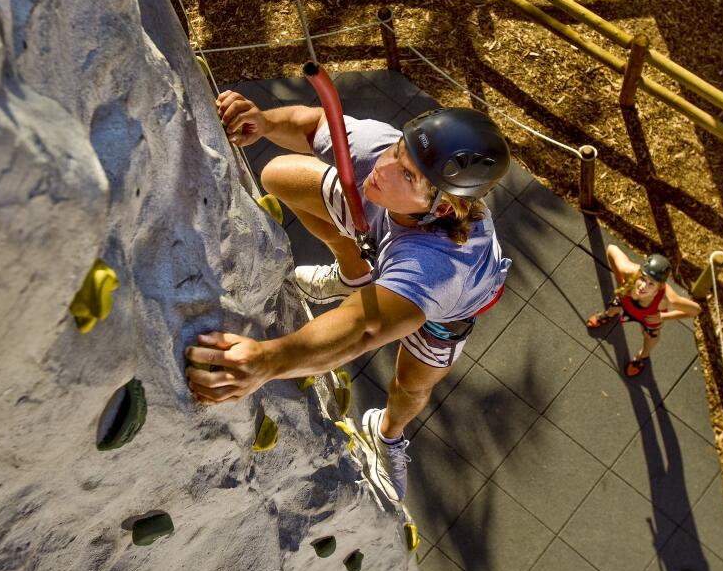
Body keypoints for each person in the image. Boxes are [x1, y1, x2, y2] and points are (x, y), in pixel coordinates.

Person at [185, 90, 512, 504]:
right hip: (382, 229)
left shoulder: (437, 270)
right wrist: (264, 121)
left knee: (411, 387)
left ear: (442, 209)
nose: (384, 168)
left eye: (408, 175)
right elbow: (310, 122)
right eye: (398, 150)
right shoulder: (383, 158)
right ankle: (354, 274)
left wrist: (267, 361)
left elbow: (364, 327)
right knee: (281, 175)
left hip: (444, 313)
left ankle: (388, 434)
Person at [588, 247, 701, 378]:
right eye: (642, 278)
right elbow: (611, 250)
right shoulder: (629, 271)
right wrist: (619, 281)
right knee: (614, 306)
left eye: (651, 284)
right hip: (626, 303)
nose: (643, 286)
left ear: (659, 287)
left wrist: (663, 316)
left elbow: (695, 310)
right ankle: (607, 316)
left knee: (651, 336)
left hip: (649, 317)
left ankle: (643, 356)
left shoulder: (668, 299)